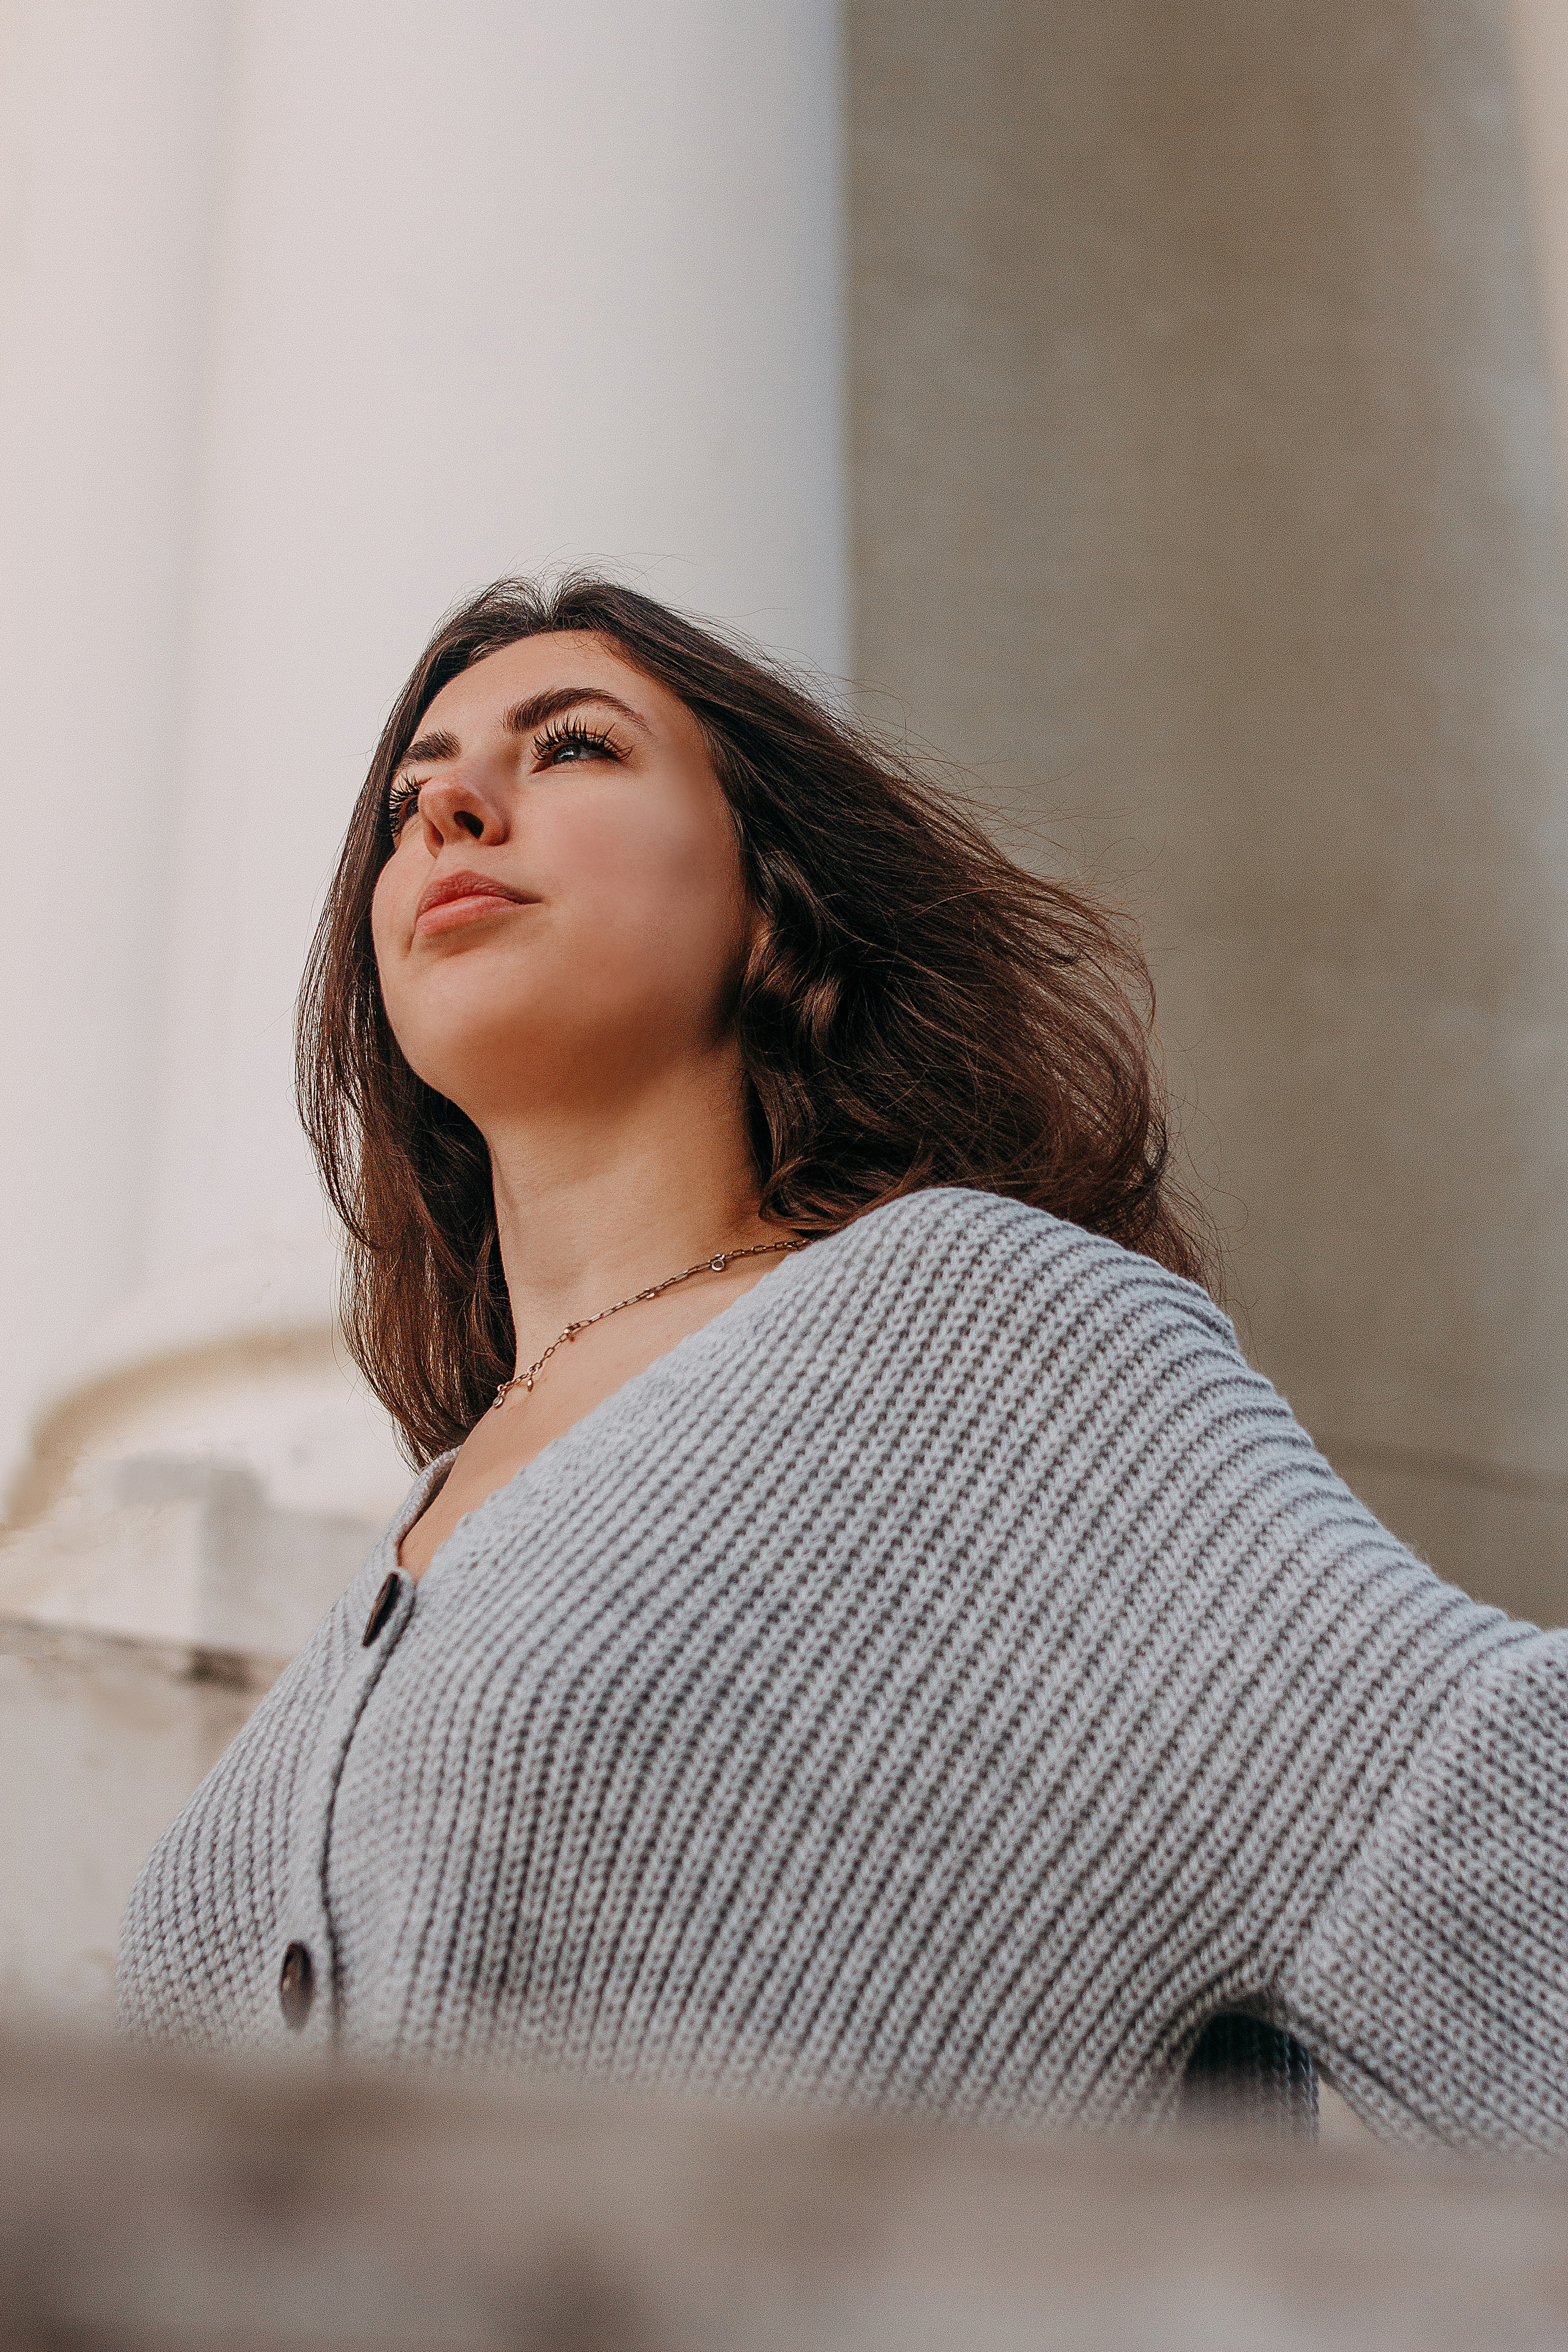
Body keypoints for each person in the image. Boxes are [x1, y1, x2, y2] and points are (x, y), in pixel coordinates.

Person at [119, 575, 1567, 2151]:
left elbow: (1470, 1808)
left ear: (770, 900)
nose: (450, 807)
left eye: (576, 749)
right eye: (408, 801)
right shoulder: (386, 1592)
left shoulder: (984, 1340)